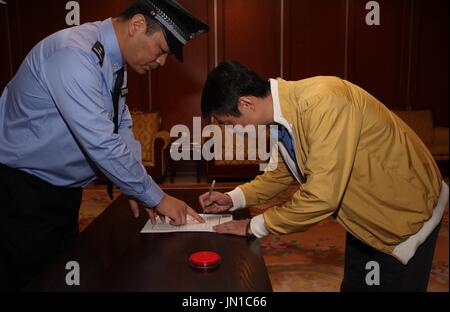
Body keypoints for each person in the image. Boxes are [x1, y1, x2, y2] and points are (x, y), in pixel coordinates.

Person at [0, 0, 208, 291]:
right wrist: (157, 197)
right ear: (137, 25)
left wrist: (135, 183)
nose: (162, 61)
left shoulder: (111, 61)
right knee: (29, 278)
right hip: (24, 191)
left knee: (60, 272)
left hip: (62, 192)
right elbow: (101, 141)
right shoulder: (75, 54)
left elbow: (120, 125)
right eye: (161, 50)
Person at [198, 61, 448, 292]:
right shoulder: (280, 119)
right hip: (362, 216)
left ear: (246, 104)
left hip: (403, 213)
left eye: (230, 123)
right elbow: (278, 175)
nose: (234, 131)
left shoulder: (324, 102)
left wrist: (254, 226)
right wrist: (233, 199)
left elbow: (320, 197)